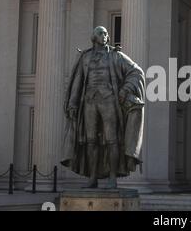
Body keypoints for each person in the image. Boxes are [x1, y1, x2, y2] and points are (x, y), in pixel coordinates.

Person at [61, 26, 145, 189]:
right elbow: (78, 81)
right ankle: (92, 177)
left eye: (106, 33)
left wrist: (125, 89)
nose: (105, 36)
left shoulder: (116, 55)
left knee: (112, 140)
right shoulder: (85, 57)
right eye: (101, 33)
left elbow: (137, 71)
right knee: (90, 141)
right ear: (94, 37)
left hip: (109, 101)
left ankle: (112, 177)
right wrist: (72, 103)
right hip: (89, 102)